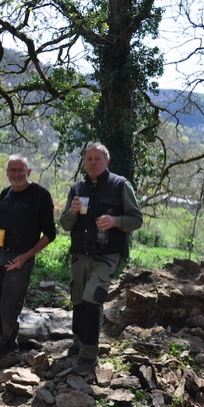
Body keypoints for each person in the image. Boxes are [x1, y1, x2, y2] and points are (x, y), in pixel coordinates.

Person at [59, 143, 143, 376]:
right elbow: (65, 225)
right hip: (80, 253)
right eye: (89, 159)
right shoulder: (77, 188)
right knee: (78, 298)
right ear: (84, 162)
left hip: (107, 255)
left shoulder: (120, 185)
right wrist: (72, 212)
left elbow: (136, 219)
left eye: (97, 158)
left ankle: (89, 355)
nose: (93, 162)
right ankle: (78, 342)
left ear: (107, 161)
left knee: (91, 298)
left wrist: (115, 221)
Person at [0, 154, 56, 370]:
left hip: (21, 258)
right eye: (13, 170)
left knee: (9, 308)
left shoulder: (40, 195)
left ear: (29, 171)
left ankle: (11, 352)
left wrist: (25, 257)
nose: (17, 174)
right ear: (7, 172)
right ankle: (6, 345)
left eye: (21, 170)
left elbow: (50, 234)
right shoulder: (5, 193)